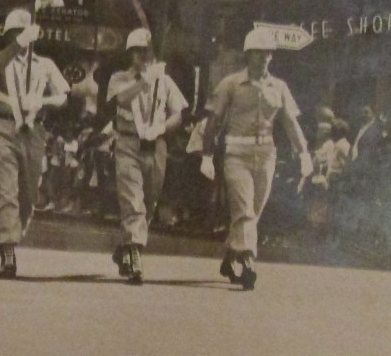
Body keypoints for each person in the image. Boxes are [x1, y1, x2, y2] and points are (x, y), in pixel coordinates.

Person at [201, 27, 312, 290]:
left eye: (267, 54)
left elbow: (289, 122)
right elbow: (214, 121)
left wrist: (303, 152)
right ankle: (248, 260)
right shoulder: (230, 84)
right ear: (247, 55)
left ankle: (230, 256)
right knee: (245, 209)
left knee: (254, 211)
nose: (263, 58)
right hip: (236, 154)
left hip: (265, 155)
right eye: (257, 53)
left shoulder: (279, 87)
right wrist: (206, 154)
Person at [0, 8, 70, 278]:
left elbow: (63, 95)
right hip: (3, 128)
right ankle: (8, 248)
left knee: (29, 195)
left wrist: (43, 101)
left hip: (33, 131)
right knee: (6, 191)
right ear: (9, 36)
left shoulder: (45, 64)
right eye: (16, 34)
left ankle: (11, 233)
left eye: (25, 33)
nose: (21, 38)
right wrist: (17, 44)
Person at [106, 28, 188, 284]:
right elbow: (121, 99)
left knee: (149, 201)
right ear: (130, 55)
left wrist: (162, 128)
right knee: (133, 199)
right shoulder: (120, 78)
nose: (142, 56)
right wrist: (144, 81)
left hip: (155, 146)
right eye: (137, 52)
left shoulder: (165, 81)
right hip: (128, 142)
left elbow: (178, 113)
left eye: (146, 51)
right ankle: (134, 254)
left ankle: (126, 246)